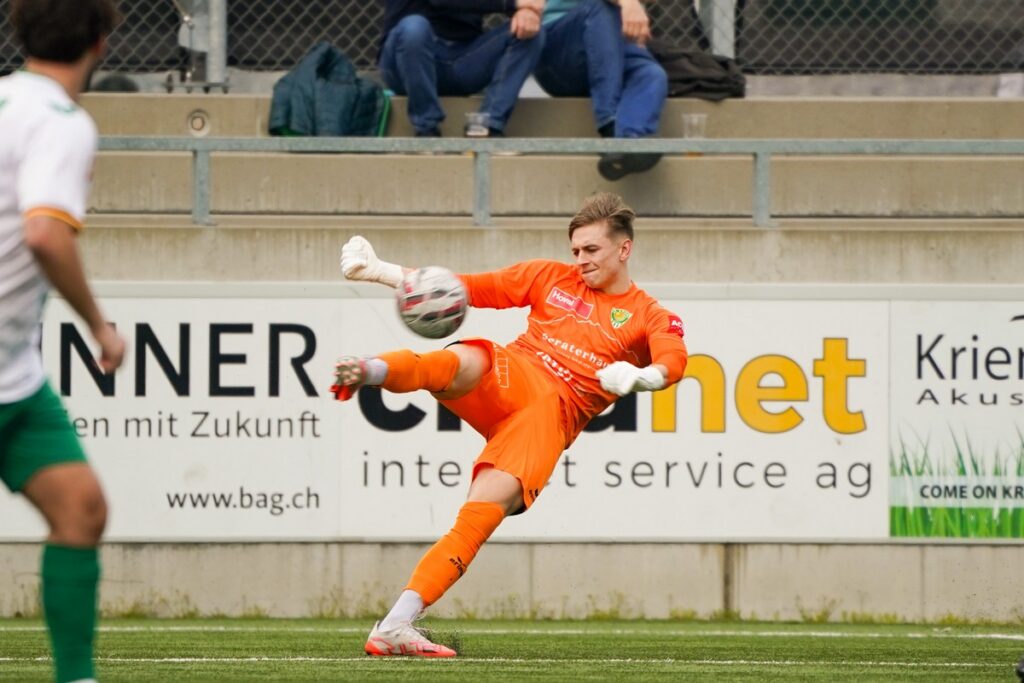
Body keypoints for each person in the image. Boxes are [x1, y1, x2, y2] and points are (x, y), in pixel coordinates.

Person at [334, 192, 688, 656]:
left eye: (591, 249)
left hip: (548, 418)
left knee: (474, 520)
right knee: (463, 359)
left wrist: (645, 377)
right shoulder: (549, 277)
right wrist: (380, 271)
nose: (580, 260)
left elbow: (673, 360)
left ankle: (395, 625)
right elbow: (463, 289)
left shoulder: (649, 314)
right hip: (514, 373)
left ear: (624, 249)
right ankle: (371, 370)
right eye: (575, 250)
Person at [1, 2, 125, 681]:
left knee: (80, 507)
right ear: (102, 42)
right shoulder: (62, 121)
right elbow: (45, 235)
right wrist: (99, 326)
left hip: (13, 377)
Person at [532, 0, 668, 180]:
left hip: (606, 47)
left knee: (651, 73)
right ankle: (609, 128)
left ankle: (629, 143)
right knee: (600, 8)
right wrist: (629, 4)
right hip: (557, 52)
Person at [379, 0, 546, 138]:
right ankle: (426, 128)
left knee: (532, 32)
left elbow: (525, 5)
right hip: (406, 64)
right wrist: (513, 3)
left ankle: (488, 125)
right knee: (414, 27)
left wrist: (526, 12)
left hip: (463, 61)